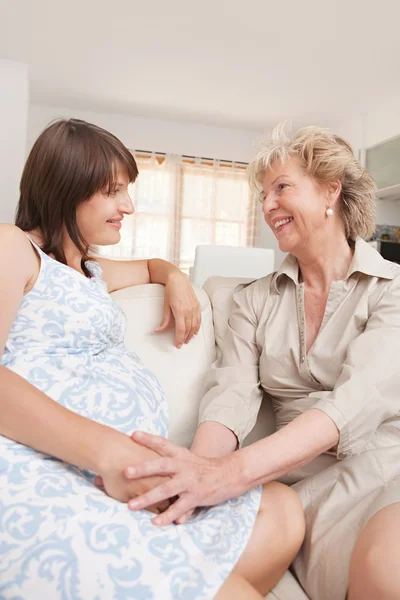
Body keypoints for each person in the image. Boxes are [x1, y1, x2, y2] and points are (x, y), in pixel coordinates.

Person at [0, 119, 304, 600]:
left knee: (282, 508)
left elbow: (149, 266)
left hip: (124, 475)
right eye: (112, 191)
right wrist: (109, 452)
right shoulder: (11, 247)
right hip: (46, 466)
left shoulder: (90, 270)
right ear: (65, 188)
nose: (128, 206)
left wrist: (175, 279)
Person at [125, 123, 400, 600]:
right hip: (304, 490)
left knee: (387, 564)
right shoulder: (251, 300)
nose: (267, 205)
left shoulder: (392, 289)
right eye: (262, 193)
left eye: (282, 187)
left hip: (386, 470)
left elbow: (354, 403)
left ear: (330, 190)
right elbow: (229, 397)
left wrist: (228, 475)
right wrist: (195, 473)